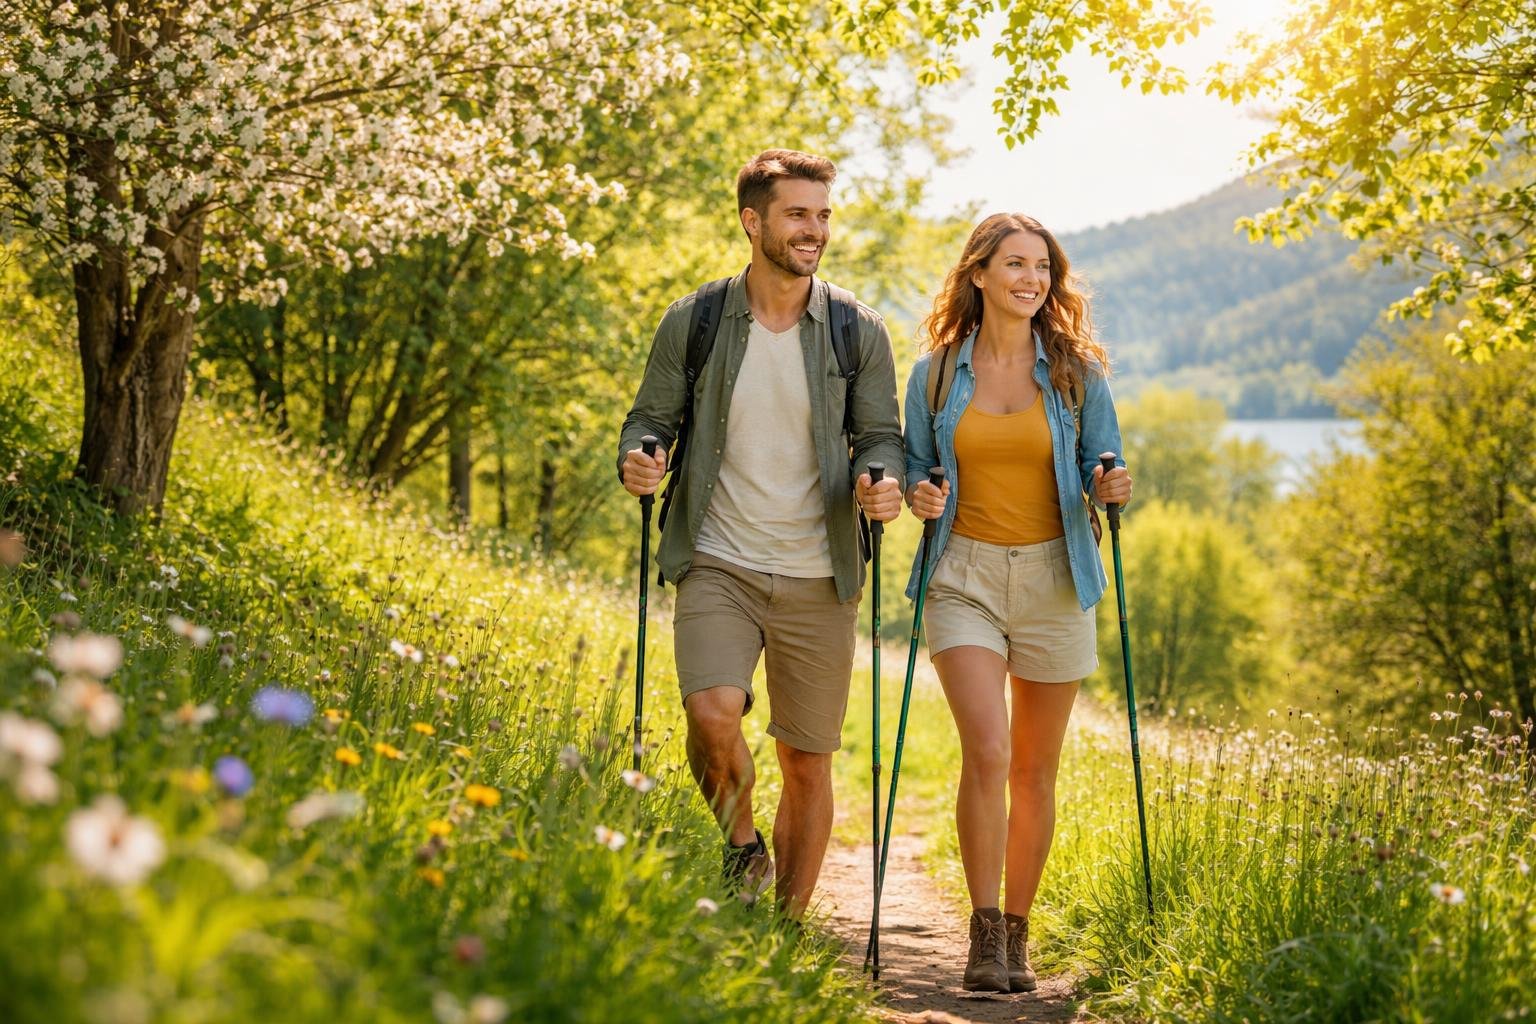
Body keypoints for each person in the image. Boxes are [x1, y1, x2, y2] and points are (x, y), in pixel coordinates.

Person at [617, 149, 905, 918]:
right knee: (711, 713)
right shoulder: (698, 319)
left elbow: (881, 434)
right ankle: (742, 845)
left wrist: (883, 479)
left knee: (806, 760)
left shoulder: (855, 330)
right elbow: (651, 419)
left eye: (822, 215)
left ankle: (784, 931)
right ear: (754, 222)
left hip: (821, 572)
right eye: (798, 215)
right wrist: (639, 457)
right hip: (719, 556)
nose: (815, 230)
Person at [902, 213, 1132, 991]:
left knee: (1036, 768)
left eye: (1041, 267)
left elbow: (1108, 459)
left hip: (1055, 578)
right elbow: (912, 467)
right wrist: (917, 493)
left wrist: (1111, 486)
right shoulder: (935, 373)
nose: (1030, 279)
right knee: (990, 753)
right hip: (962, 573)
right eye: (1014, 265)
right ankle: (982, 935)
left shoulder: (1077, 372)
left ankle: (1020, 936)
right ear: (979, 274)